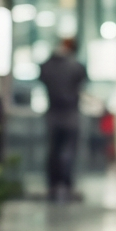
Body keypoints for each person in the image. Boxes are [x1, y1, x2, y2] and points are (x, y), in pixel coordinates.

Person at [39, 38, 88, 201]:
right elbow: (82, 81)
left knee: (53, 150)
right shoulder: (76, 67)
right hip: (71, 114)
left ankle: (53, 184)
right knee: (69, 151)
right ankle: (66, 184)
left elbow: (42, 77)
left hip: (52, 114)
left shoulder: (47, 65)